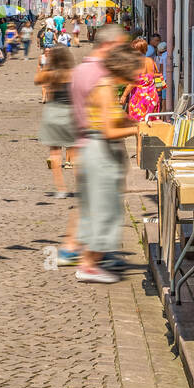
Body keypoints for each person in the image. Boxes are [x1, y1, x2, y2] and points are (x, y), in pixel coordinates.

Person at [57, 23, 129, 267]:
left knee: (89, 202)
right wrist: (138, 126)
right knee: (99, 203)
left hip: (83, 142)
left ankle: (75, 248)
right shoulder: (100, 75)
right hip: (97, 146)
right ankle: (85, 255)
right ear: (109, 45)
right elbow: (106, 120)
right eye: (121, 47)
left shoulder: (80, 70)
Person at [75, 46, 143, 283]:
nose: (137, 75)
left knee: (104, 208)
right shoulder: (105, 88)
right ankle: (88, 265)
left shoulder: (108, 86)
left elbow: (113, 118)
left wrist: (132, 120)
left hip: (103, 154)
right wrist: (137, 129)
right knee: (104, 210)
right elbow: (107, 130)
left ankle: (92, 259)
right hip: (99, 152)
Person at [35, 47, 78, 198]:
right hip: (71, 112)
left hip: (53, 112)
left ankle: (61, 189)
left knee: (54, 153)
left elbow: (37, 80)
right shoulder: (74, 73)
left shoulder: (51, 74)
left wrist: (48, 64)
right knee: (75, 152)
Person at [123, 37, 165, 122]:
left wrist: (124, 95)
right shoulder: (151, 61)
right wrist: (158, 93)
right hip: (152, 96)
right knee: (150, 122)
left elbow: (133, 83)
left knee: (138, 124)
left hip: (139, 97)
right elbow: (158, 76)